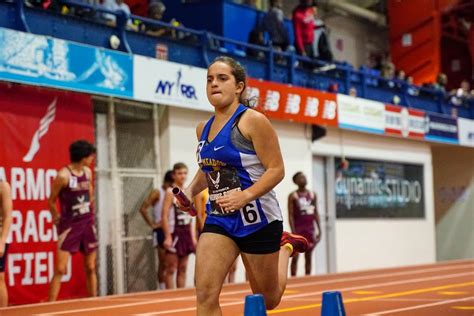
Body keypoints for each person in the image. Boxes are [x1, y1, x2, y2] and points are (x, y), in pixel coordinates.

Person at [180, 56, 309, 315]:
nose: (214, 84)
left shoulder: (253, 121)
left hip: (258, 218)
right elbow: (209, 169)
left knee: (268, 299)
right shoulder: (202, 128)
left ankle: (285, 247)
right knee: (204, 293)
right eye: (209, 79)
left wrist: (245, 196)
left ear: (239, 86)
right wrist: (189, 190)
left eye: (222, 78)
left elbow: (277, 169)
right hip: (221, 218)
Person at [48, 140, 98, 301]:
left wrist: (89, 206)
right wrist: (56, 217)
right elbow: (51, 200)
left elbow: (90, 192)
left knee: (90, 267)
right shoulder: (63, 175)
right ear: (83, 157)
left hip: (87, 223)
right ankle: (49, 306)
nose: (92, 159)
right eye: (90, 156)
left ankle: (94, 303)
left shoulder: (88, 172)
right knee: (60, 268)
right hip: (69, 225)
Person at [162, 163, 197, 289]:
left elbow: (191, 217)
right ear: (173, 175)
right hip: (174, 232)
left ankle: (181, 295)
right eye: (179, 173)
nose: (182, 176)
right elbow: (164, 215)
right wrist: (167, 236)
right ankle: (170, 297)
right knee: (171, 268)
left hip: (186, 231)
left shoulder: (188, 191)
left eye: (184, 173)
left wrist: (193, 238)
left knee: (183, 267)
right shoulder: (170, 192)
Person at [139, 170, 174, 290]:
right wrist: (152, 224)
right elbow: (143, 208)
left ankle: (170, 287)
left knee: (172, 263)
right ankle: (163, 288)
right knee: (163, 262)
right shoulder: (157, 192)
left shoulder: (175, 192)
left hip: (173, 229)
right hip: (161, 230)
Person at [288, 172, 321, 276]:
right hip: (298, 230)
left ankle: (308, 276)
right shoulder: (293, 196)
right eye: (301, 178)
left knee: (309, 256)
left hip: (310, 230)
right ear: (296, 181)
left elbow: (316, 213)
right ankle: (293, 278)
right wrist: (293, 232)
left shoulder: (312, 195)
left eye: (304, 177)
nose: (304, 179)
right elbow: (291, 215)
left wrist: (319, 230)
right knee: (296, 256)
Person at [0, 181, 12, 307]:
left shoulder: (3, 186)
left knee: (0, 278)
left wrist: (2, 242)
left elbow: (8, 216)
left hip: (0, 236)